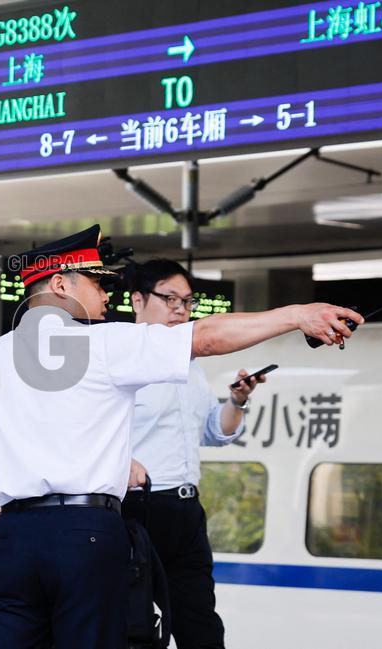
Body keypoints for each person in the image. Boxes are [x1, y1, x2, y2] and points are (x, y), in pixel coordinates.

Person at [0, 225, 363, 649]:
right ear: (60, 283)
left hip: (12, 538)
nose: (105, 294)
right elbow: (206, 337)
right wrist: (297, 315)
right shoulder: (105, 345)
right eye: (96, 282)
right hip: (87, 535)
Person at [123, 258, 263, 649]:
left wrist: (237, 400)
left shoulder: (191, 363)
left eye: (187, 301)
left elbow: (213, 433)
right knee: (134, 627)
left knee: (199, 623)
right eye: (169, 298)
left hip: (186, 509)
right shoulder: (119, 359)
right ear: (137, 300)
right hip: (136, 509)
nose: (180, 309)